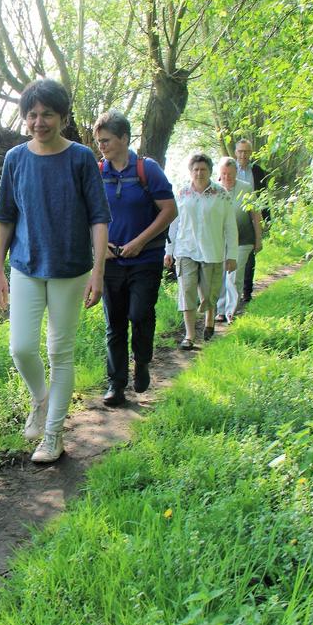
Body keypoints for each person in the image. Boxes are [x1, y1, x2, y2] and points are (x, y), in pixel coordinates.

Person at [0, 79, 111, 463]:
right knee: (21, 347)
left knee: (60, 351)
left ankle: (54, 435)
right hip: (26, 265)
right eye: (32, 114)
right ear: (25, 117)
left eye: (47, 114)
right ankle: (40, 399)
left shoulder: (80, 159)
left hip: (71, 269)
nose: (39, 122)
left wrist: (98, 272)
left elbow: (98, 218)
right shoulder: (15, 159)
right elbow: (5, 217)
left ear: (62, 117)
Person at [93, 110, 177, 407]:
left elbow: (170, 210)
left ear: (124, 138)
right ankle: (116, 384)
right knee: (114, 324)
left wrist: (140, 242)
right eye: (98, 141)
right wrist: (98, 250)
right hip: (111, 262)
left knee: (139, 314)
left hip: (146, 259)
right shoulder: (97, 172)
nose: (101, 146)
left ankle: (142, 362)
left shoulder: (147, 170)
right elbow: (87, 216)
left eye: (106, 140)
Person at [164, 154, 237, 350]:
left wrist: (232, 255)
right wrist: (168, 250)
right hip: (185, 249)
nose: (199, 173)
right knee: (186, 290)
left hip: (212, 250)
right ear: (190, 171)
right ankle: (189, 335)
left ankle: (210, 318)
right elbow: (173, 223)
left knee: (208, 293)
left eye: (203, 169)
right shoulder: (181, 193)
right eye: (195, 169)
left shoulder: (221, 194)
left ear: (210, 171)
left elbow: (230, 226)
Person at [215, 157, 262, 323]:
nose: (227, 177)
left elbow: (256, 215)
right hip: (220, 241)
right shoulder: (214, 189)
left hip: (243, 239)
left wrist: (258, 238)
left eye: (230, 174)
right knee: (220, 276)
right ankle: (220, 310)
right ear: (219, 174)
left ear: (236, 173)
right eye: (224, 174)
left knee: (234, 276)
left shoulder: (246, 188)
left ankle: (230, 311)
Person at [234, 139, 270, 302]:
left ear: (250, 153)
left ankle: (247, 292)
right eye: (240, 151)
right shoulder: (228, 168)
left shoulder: (257, 171)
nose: (243, 155)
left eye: (246, 151)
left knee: (250, 253)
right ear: (236, 152)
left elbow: (264, 196)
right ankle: (230, 290)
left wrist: (267, 219)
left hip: (252, 215)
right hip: (233, 216)